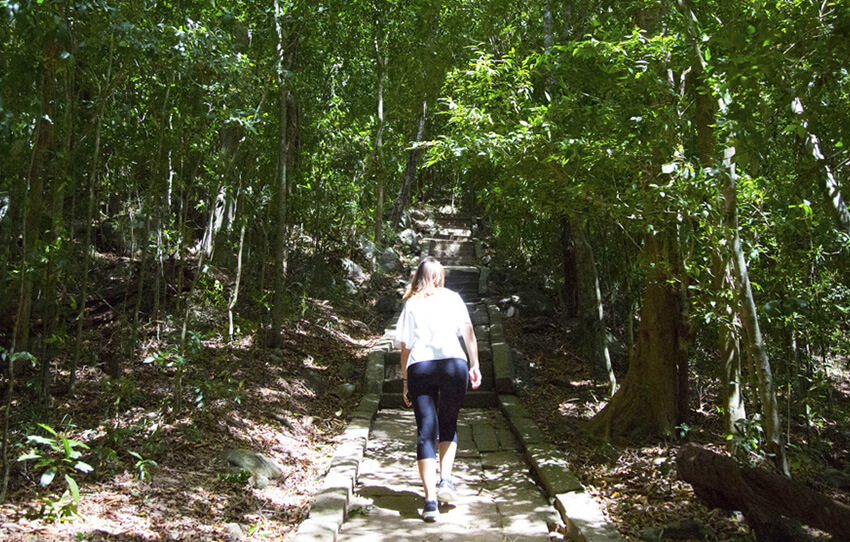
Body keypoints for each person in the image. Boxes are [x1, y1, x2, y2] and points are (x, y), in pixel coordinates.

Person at [393, 256, 482, 522]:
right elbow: (468, 332)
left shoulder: (411, 303)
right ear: (440, 276)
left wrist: (405, 382)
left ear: (418, 277)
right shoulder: (454, 298)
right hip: (454, 364)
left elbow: (405, 346)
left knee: (425, 431)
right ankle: (446, 481)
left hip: (421, 366)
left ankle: (430, 500)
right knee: (449, 423)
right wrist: (475, 364)